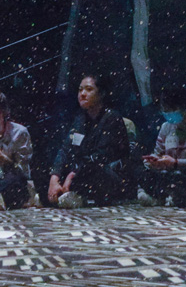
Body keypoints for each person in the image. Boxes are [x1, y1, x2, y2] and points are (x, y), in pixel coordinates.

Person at [47, 74, 132, 208]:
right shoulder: (80, 119)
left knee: (92, 169)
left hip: (107, 174)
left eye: (88, 89)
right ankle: (61, 192)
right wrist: (54, 177)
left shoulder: (112, 118)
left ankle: (77, 195)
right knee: (45, 166)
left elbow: (101, 156)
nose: (82, 94)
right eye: (80, 90)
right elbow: (66, 149)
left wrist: (73, 175)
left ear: (101, 94)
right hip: (81, 171)